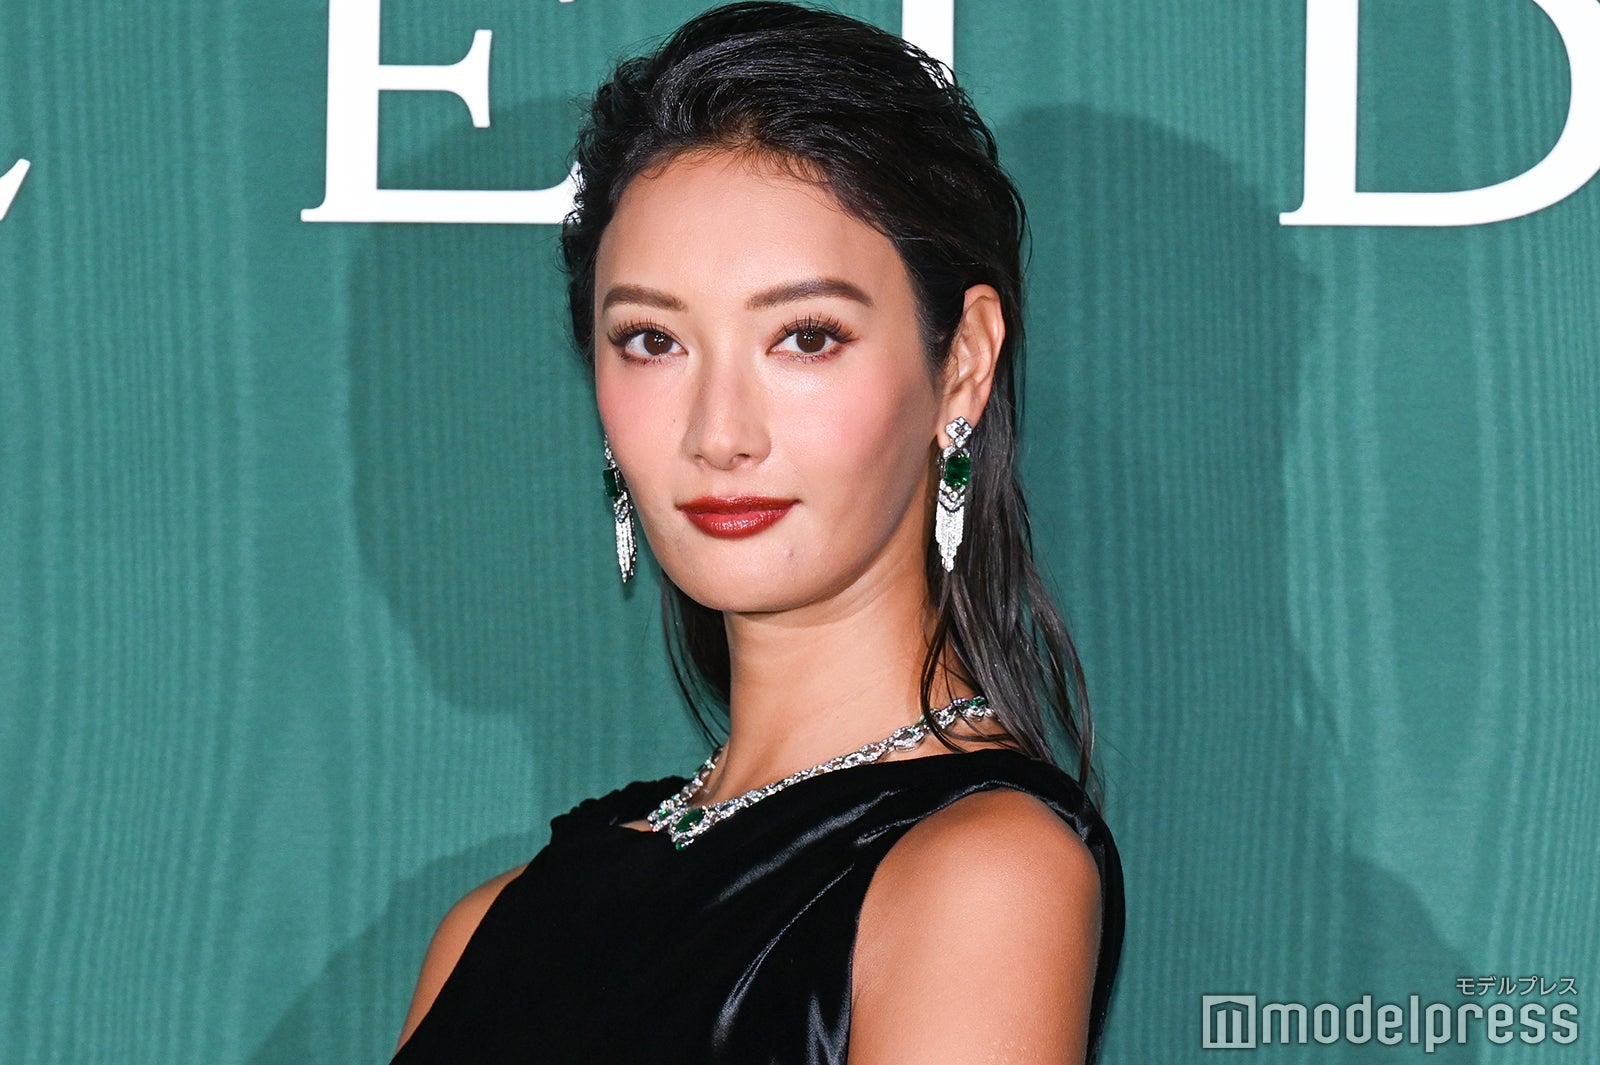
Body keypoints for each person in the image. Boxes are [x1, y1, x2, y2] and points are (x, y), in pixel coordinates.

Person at [387, 3, 1125, 1062]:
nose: (719, 434)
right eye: (652, 341)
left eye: (806, 337)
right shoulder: (487, 925)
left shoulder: (983, 872)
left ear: (961, 361)